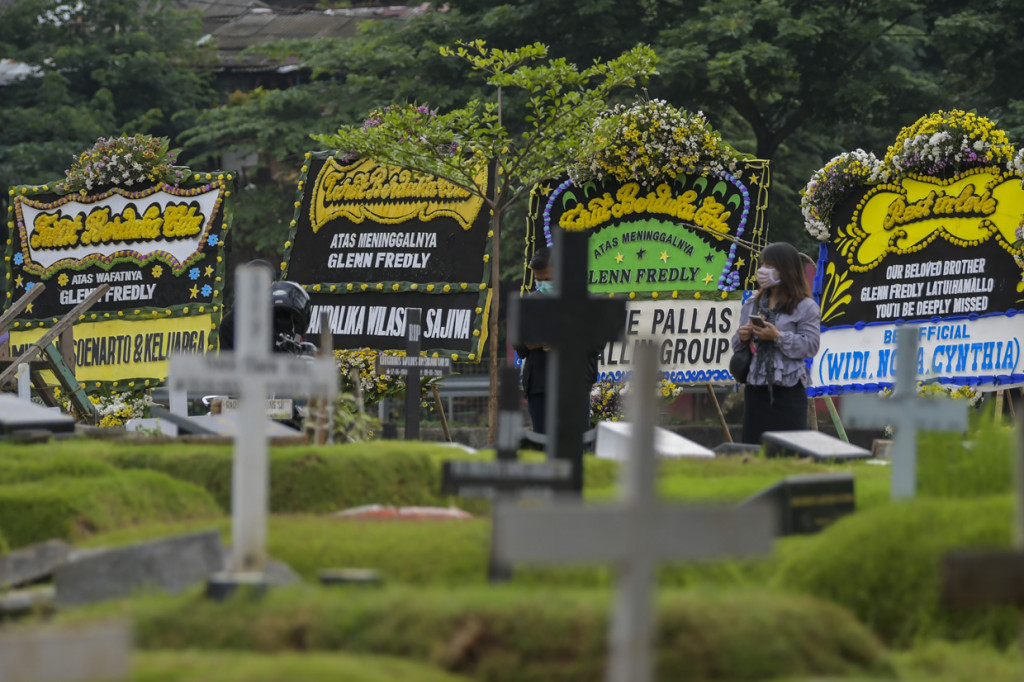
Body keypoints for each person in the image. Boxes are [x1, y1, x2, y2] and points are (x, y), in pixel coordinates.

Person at [731, 242, 821, 444]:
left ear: (786, 269)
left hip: (788, 389)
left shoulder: (806, 307)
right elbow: (737, 346)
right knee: (754, 449)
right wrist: (743, 337)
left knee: (788, 451)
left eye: (770, 266)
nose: (763, 271)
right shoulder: (752, 303)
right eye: (762, 265)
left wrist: (777, 337)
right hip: (756, 387)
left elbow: (811, 346)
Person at [513, 247, 599, 435]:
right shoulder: (530, 303)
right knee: (542, 443)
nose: (543, 284)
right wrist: (530, 342)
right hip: (539, 386)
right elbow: (517, 342)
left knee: (576, 443)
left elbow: (597, 344)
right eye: (539, 280)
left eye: (548, 279)